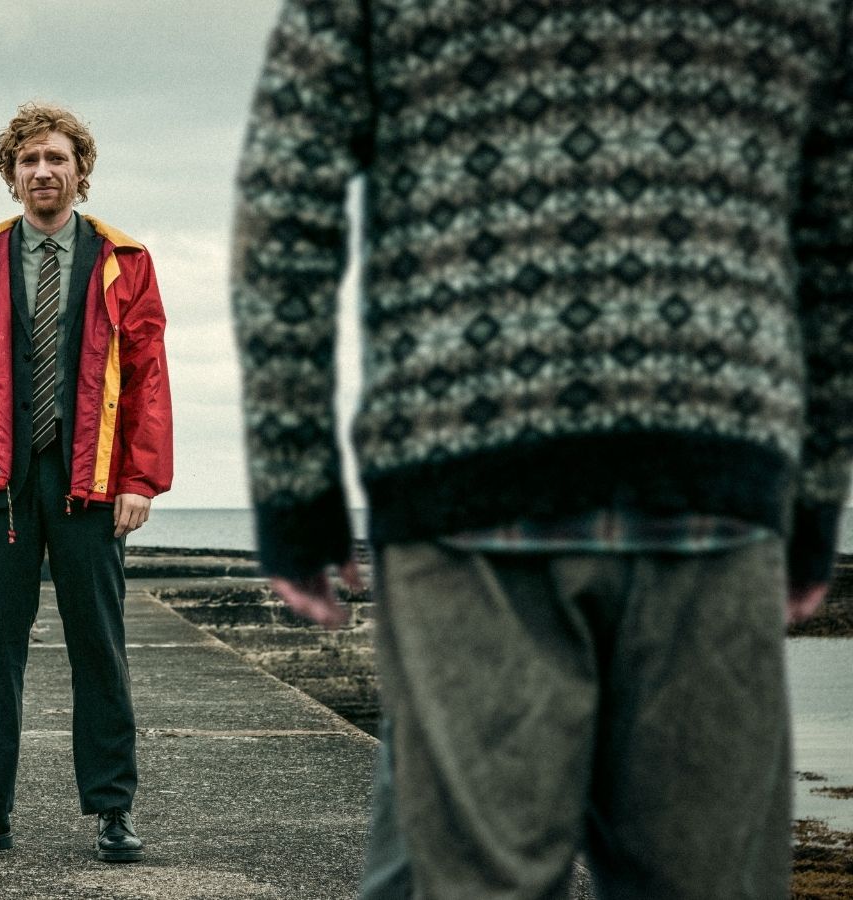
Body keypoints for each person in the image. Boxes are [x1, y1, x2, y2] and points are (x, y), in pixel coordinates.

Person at [233, 1, 851, 897]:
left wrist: (295, 490)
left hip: (469, 472)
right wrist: (814, 498)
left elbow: (285, 207)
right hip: (712, 471)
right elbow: (831, 237)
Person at [0, 101, 172, 862]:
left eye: (56, 158)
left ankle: (113, 811)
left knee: (100, 645)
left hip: (90, 481)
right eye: (28, 160)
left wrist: (141, 478)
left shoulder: (127, 261)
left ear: (80, 172)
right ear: (11, 175)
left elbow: (150, 377)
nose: (43, 171)